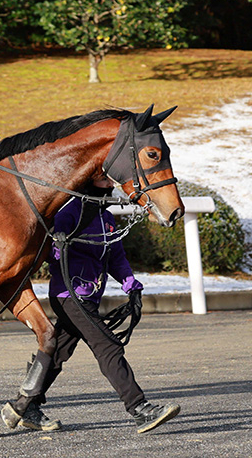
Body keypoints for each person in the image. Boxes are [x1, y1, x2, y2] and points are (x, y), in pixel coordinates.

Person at [23, 176, 180, 434]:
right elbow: (45, 252)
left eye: (110, 181)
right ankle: (139, 408)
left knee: (58, 353)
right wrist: (57, 247)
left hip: (88, 297)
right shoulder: (68, 213)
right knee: (108, 346)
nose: (109, 184)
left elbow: (116, 256)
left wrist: (131, 284)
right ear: (88, 182)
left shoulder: (106, 218)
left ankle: (25, 404)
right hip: (69, 296)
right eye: (104, 180)